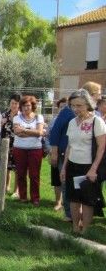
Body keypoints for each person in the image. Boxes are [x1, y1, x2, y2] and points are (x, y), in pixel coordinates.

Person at [49, 81, 102, 222]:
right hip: (68, 157)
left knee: (85, 193)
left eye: (78, 105)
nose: (100, 95)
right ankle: (70, 216)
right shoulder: (68, 113)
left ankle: (83, 221)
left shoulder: (96, 117)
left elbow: (101, 144)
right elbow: (57, 133)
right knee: (70, 190)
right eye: (97, 93)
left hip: (87, 162)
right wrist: (55, 154)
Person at [60, 89, 106, 234]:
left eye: (79, 105)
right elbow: (69, 146)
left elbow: (102, 147)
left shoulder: (96, 121)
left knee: (87, 200)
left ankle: (85, 230)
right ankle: (75, 227)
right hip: (72, 164)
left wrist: (93, 169)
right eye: (73, 105)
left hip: (88, 167)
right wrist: (64, 168)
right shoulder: (72, 122)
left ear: (88, 104)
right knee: (73, 199)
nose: (75, 109)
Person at [12, 95, 45, 205]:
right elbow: (17, 133)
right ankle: (23, 197)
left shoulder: (38, 117)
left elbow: (40, 132)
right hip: (19, 149)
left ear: (33, 106)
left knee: (34, 175)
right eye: (24, 106)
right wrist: (32, 131)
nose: (26, 108)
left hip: (35, 150)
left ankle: (35, 198)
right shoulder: (16, 118)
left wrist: (24, 130)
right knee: (21, 174)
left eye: (28, 106)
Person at [45, 97, 67, 211]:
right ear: (58, 108)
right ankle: (58, 202)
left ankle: (67, 204)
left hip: (67, 156)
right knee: (56, 179)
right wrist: (50, 150)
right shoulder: (54, 121)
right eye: (61, 107)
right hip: (55, 155)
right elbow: (47, 137)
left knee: (66, 180)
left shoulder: (73, 120)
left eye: (66, 107)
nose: (63, 109)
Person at [0, 94, 21, 198]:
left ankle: (16, 190)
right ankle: (6, 187)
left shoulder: (21, 116)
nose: (14, 105)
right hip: (6, 144)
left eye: (16, 103)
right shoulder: (4, 115)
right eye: (12, 103)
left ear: (19, 104)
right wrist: (1, 123)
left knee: (17, 168)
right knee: (6, 167)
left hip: (18, 145)